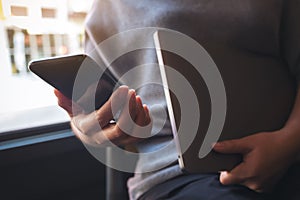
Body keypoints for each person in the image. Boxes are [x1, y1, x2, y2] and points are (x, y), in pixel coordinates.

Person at [55, 0, 300, 199]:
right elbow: (94, 115)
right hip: (173, 173)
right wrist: (89, 129)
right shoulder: (106, 9)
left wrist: (289, 142)